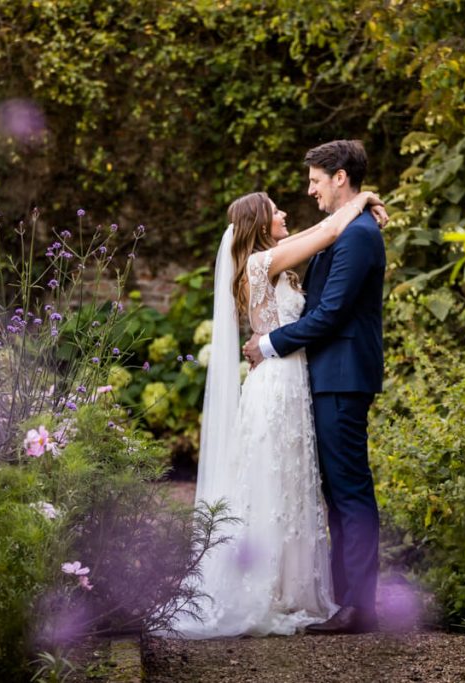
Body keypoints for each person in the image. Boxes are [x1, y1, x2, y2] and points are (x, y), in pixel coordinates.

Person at [165, 185, 386, 639]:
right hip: (277, 384)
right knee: (273, 484)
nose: (285, 212)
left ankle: (288, 587)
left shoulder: (271, 255)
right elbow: (325, 232)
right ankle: (263, 590)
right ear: (260, 225)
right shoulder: (263, 262)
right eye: (275, 210)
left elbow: (317, 231)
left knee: (290, 484)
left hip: (289, 382)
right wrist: (362, 201)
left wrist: (355, 206)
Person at [244, 140, 386, 634]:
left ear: (340, 177)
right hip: (329, 377)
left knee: (349, 490)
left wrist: (268, 345)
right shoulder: (345, 230)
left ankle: (359, 605)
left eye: (316, 180)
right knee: (336, 490)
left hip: (343, 377)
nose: (310, 190)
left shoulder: (359, 237)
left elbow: (330, 314)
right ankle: (345, 599)